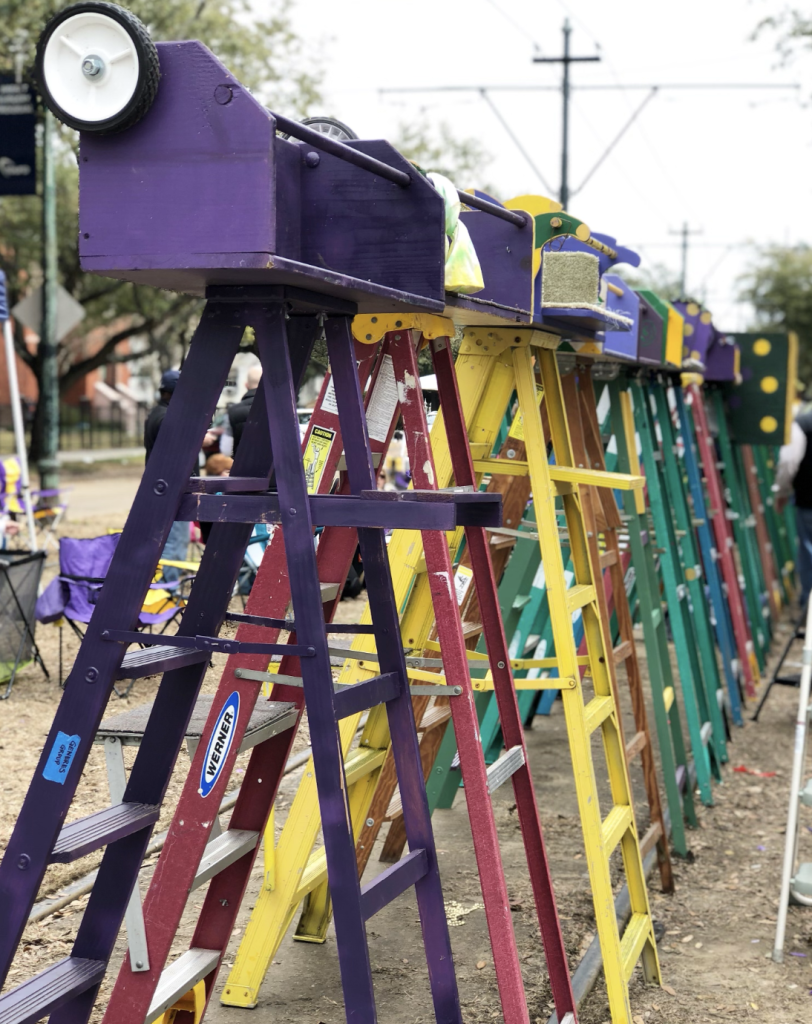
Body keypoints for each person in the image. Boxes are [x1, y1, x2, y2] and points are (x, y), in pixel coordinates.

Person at [144, 368, 188, 582]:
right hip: (171, 487)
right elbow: (176, 453)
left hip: (159, 485)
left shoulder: (157, 413)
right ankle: (167, 590)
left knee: (164, 541)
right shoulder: (167, 418)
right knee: (175, 543)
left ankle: (163, 588)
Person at [775, 400, 812, 609]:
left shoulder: (802, 419)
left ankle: (809, 610)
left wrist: (781, 491)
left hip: (809, 501)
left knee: (809, 553)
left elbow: (789, 461)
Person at [227, 365, 262, 457]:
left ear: (246, 385)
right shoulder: (278, 412)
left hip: (241, 466)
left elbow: (226, 448)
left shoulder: (233, 411)